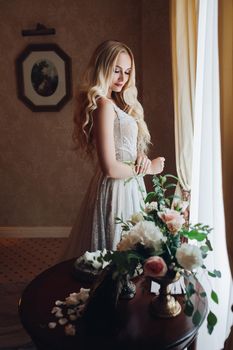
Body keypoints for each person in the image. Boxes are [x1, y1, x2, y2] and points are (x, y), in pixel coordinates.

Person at [61, 40, 165, 261]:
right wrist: (150, 169)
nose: (122, 78)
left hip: (129, 185)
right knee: (116, 255)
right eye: (116, 70)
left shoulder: (116, 103)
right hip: (117, 188)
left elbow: (123, 147)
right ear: (103, 67)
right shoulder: (104, 105)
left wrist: (140, 157)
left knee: (129, 253)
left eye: (127, 72)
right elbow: (109, 168)